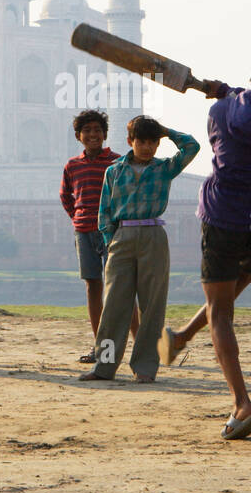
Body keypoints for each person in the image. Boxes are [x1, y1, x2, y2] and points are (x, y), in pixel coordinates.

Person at [159, 49, 251, 440]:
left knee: (221, 312)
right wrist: (225, 89)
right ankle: (182, 337)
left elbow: (238, 104)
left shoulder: (220, 113)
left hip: (224, 216)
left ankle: (242, 404)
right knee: (226, 300)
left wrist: (222, 91)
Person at [78, 115, 199, 384]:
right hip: (122, 236)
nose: (146, 147)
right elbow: (104, 211)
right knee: (114, 307)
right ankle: (104, 366)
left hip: (153, 235)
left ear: (158, 144)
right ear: (130, 141)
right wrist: (110, 241)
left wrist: (166, 130)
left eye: (152, 142)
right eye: (141, 141)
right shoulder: (114, 171)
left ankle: (145, 367)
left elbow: (192, 147)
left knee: (151, 306)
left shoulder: (164, 168)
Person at [59, 109, 137, 363]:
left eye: (97, 130)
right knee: (93, 285)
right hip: (84, 232)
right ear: (78, 136)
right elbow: (66, 196)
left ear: (104, 134)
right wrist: (79, 217)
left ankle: (141, 344)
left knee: (121, 289)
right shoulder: (72, 165)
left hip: (113, 232)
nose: (93, 135)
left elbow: (127, 195)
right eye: (87, 131)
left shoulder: (117, 162)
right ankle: (101, 347)